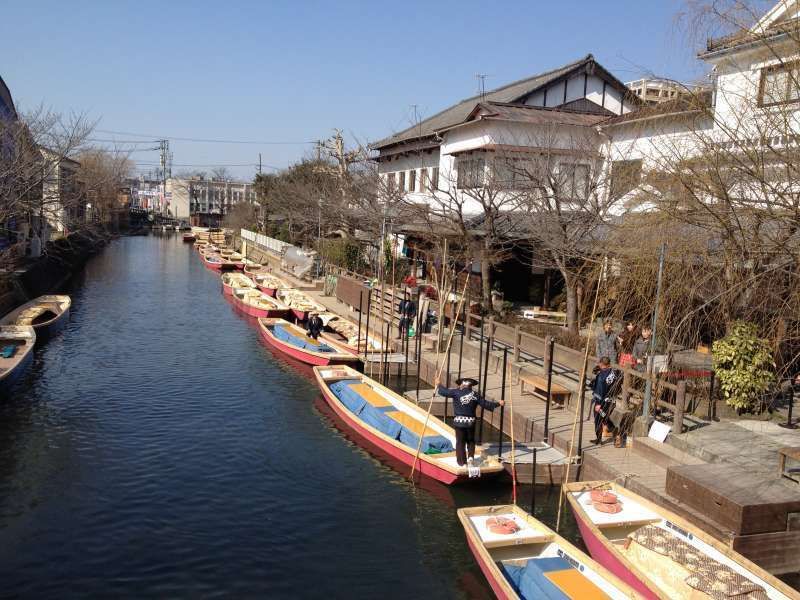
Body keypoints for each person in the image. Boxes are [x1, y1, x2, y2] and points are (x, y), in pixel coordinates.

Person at [436, 377, 504, 466]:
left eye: (460, 384)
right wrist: (498, 403)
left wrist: (438, 384)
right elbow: (486, 404)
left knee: (460, 442)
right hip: (470, 422)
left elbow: (443, 392)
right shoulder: (475, 395)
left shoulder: (456, 392)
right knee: (471, 441)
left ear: (462, 384)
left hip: (459, 422)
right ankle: (470, 458)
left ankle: (462, 463)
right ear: (471, 386)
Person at [590, 357, 618, 444]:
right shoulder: (613, 373)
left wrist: (598, 404)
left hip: (602, 402)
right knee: (604, 418)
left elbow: (601, 390)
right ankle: (613, 432)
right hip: (611, 401)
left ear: (602, 364)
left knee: (598, 419)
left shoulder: (602, 376)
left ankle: (614, 432)